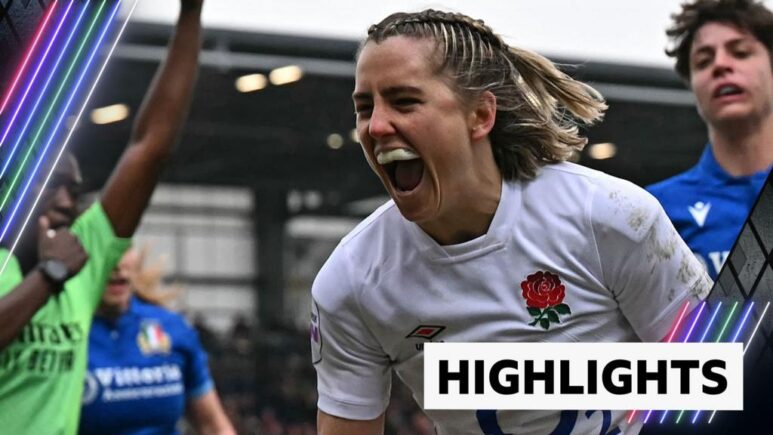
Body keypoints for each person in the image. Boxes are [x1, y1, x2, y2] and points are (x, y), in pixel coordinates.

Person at [311, 9, 713, 435]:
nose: (375, 126)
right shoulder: (350, 282)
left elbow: (718, 386)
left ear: (481, 115)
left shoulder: (611, 217)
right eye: (364, 108)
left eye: (405, 101)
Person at [0, 1, 203, 433]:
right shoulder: (32, 264)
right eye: (49, 185)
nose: (65, 201)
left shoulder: (83, 251)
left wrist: (190, 14)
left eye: (74, 191)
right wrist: (49, 275)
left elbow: (150, 147)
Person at [646, 0, 773, 280]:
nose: (721, 65)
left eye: (740, 52)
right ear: (692, 85)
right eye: (703, 61)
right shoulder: (655, 210)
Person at [79, 247, 236, 435]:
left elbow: (213, 426)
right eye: (104, 250)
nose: (118, 264)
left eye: (124, 249)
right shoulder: (64, 334)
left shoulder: (171, 327)